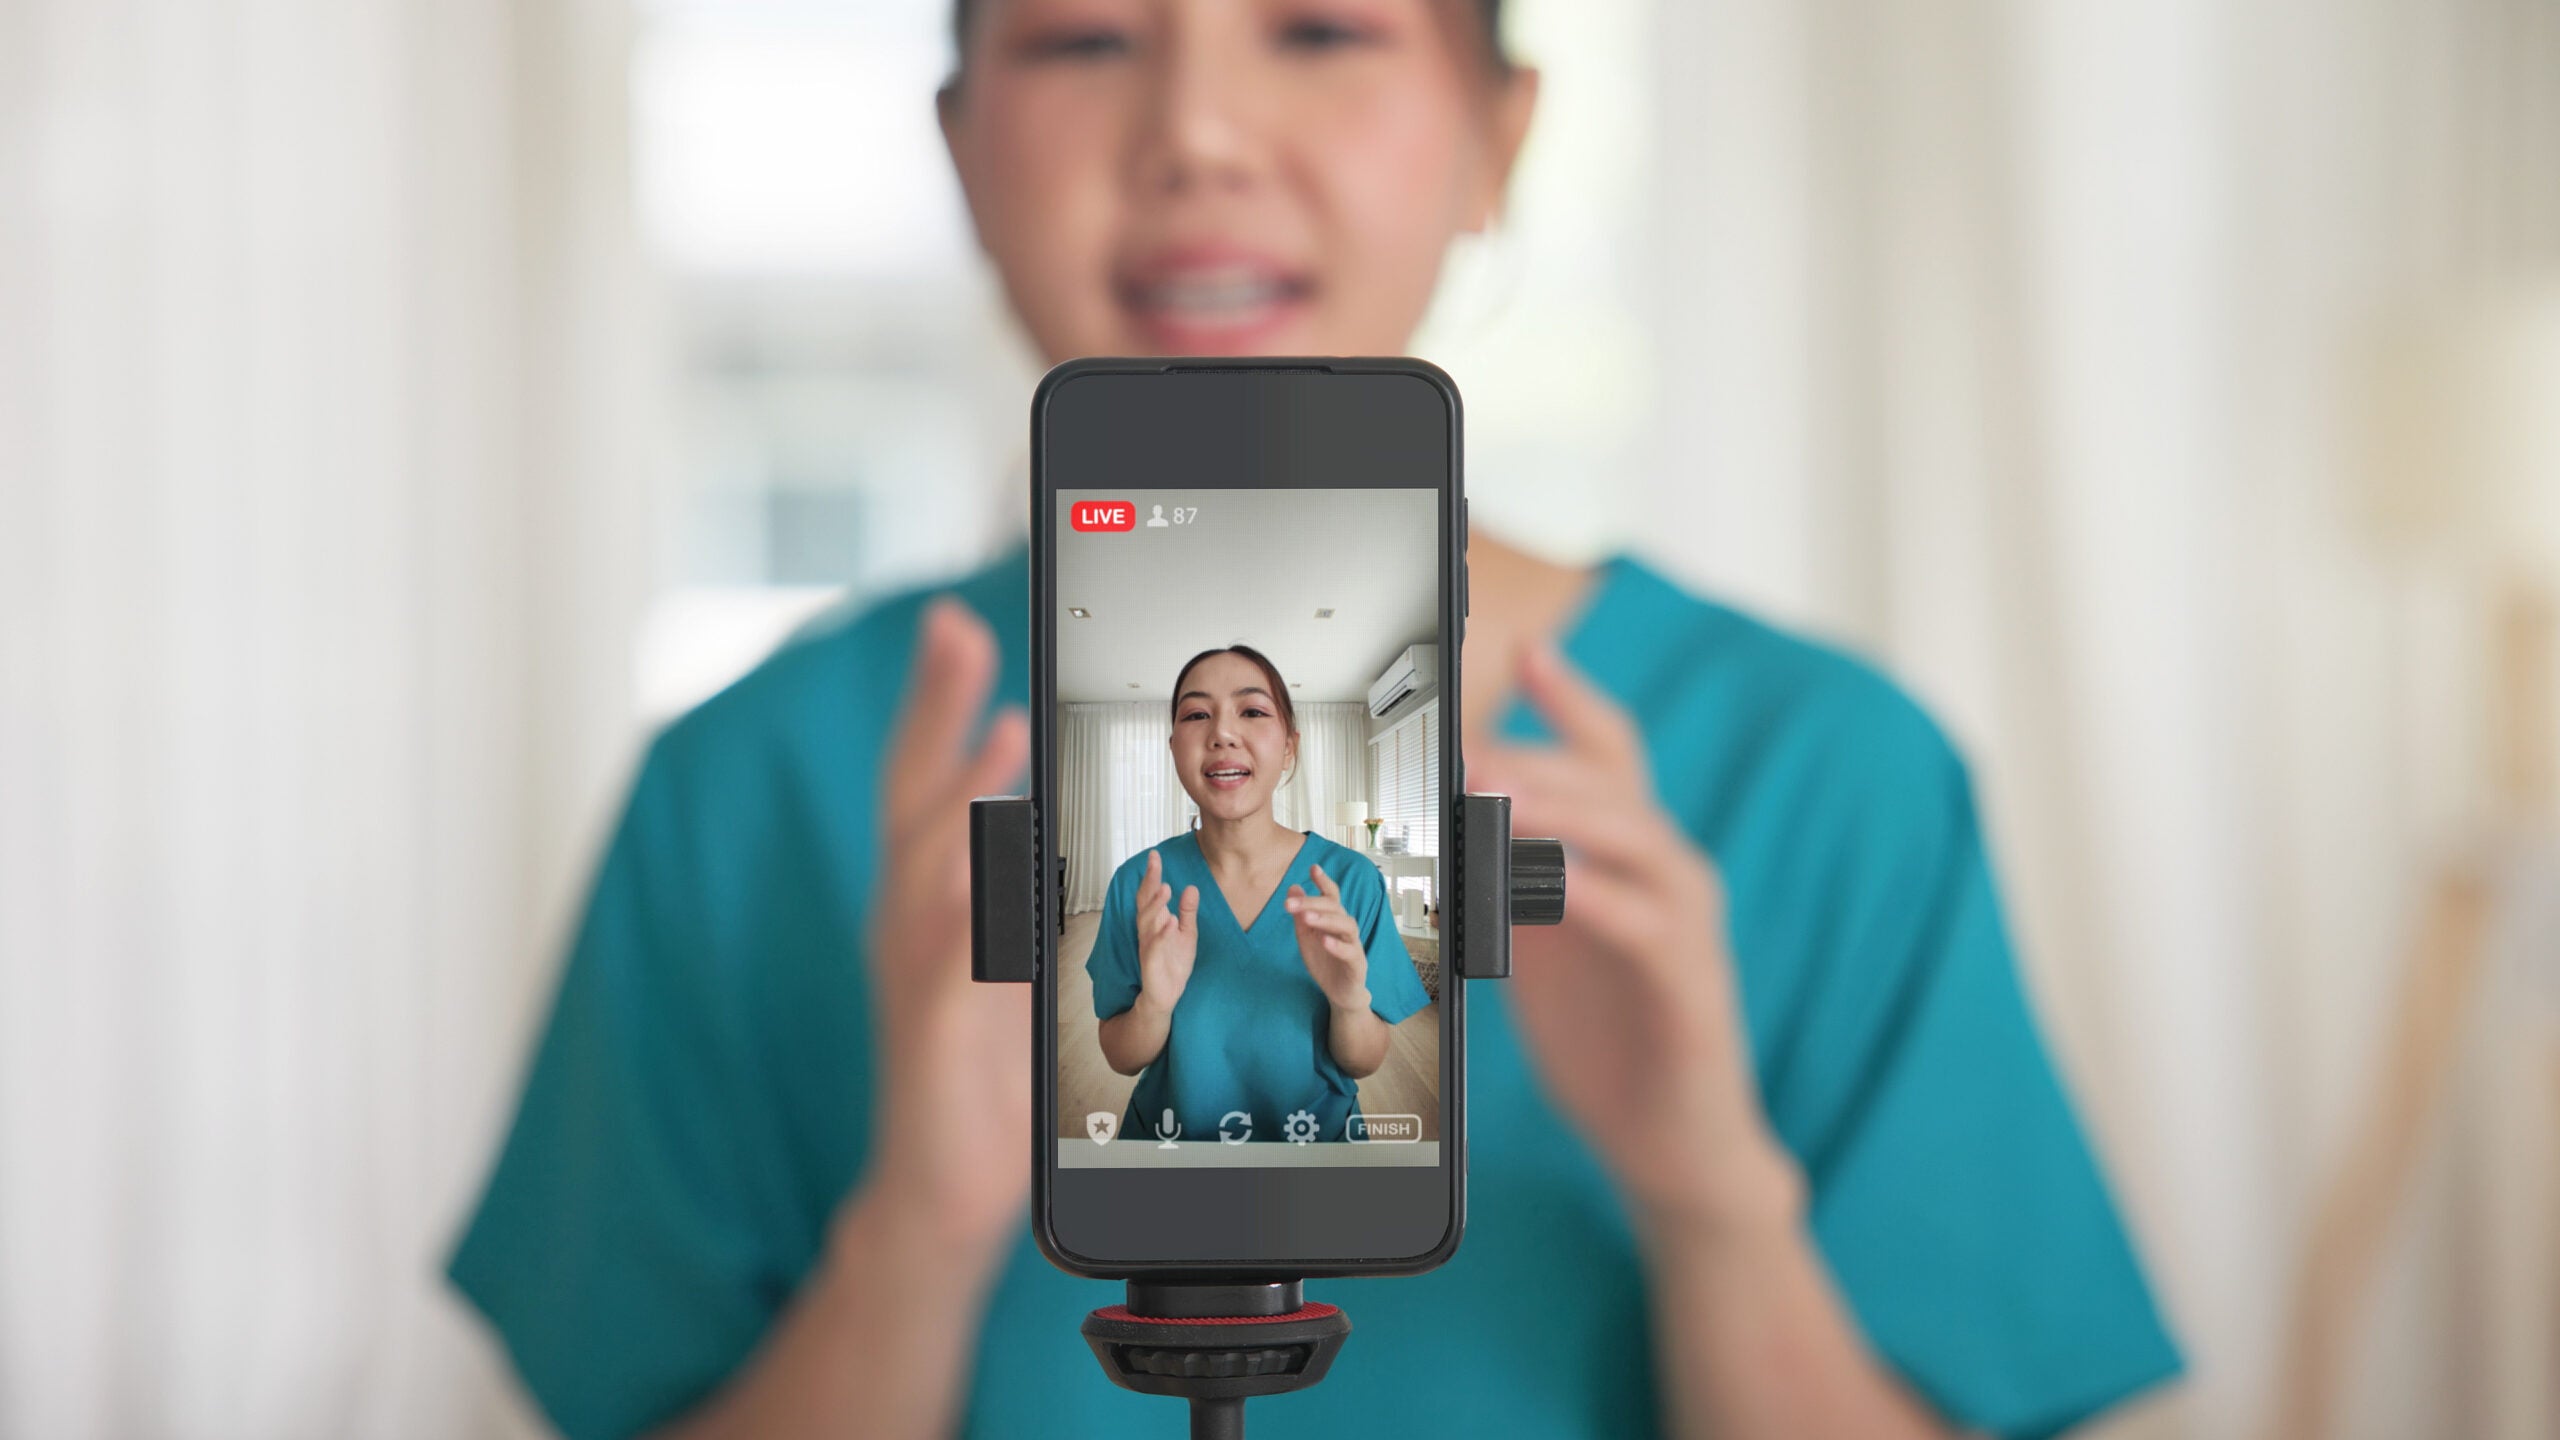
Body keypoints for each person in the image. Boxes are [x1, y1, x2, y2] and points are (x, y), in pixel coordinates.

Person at [448, 1, 2182, 1437]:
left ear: (1497, 136)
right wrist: (915, 1230)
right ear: (962, 151)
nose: (1200, 134)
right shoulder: (742, 794)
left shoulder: (1834, 780)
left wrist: (1713, 1197)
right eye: (1083, 41)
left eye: (1322, 29)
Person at [1089, 645, 1430, 1145]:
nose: (1223, 734)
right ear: (1174, 747)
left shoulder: (1351, 881)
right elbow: (1121, 1057)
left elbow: (1364, 1061)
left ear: (1289, 747)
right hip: (1169, 1154)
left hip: (1315, 1157)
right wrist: (1153, 1008)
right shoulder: (1139, 884)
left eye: (1252, 711)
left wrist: (1350, 1004)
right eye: (1197, 714)